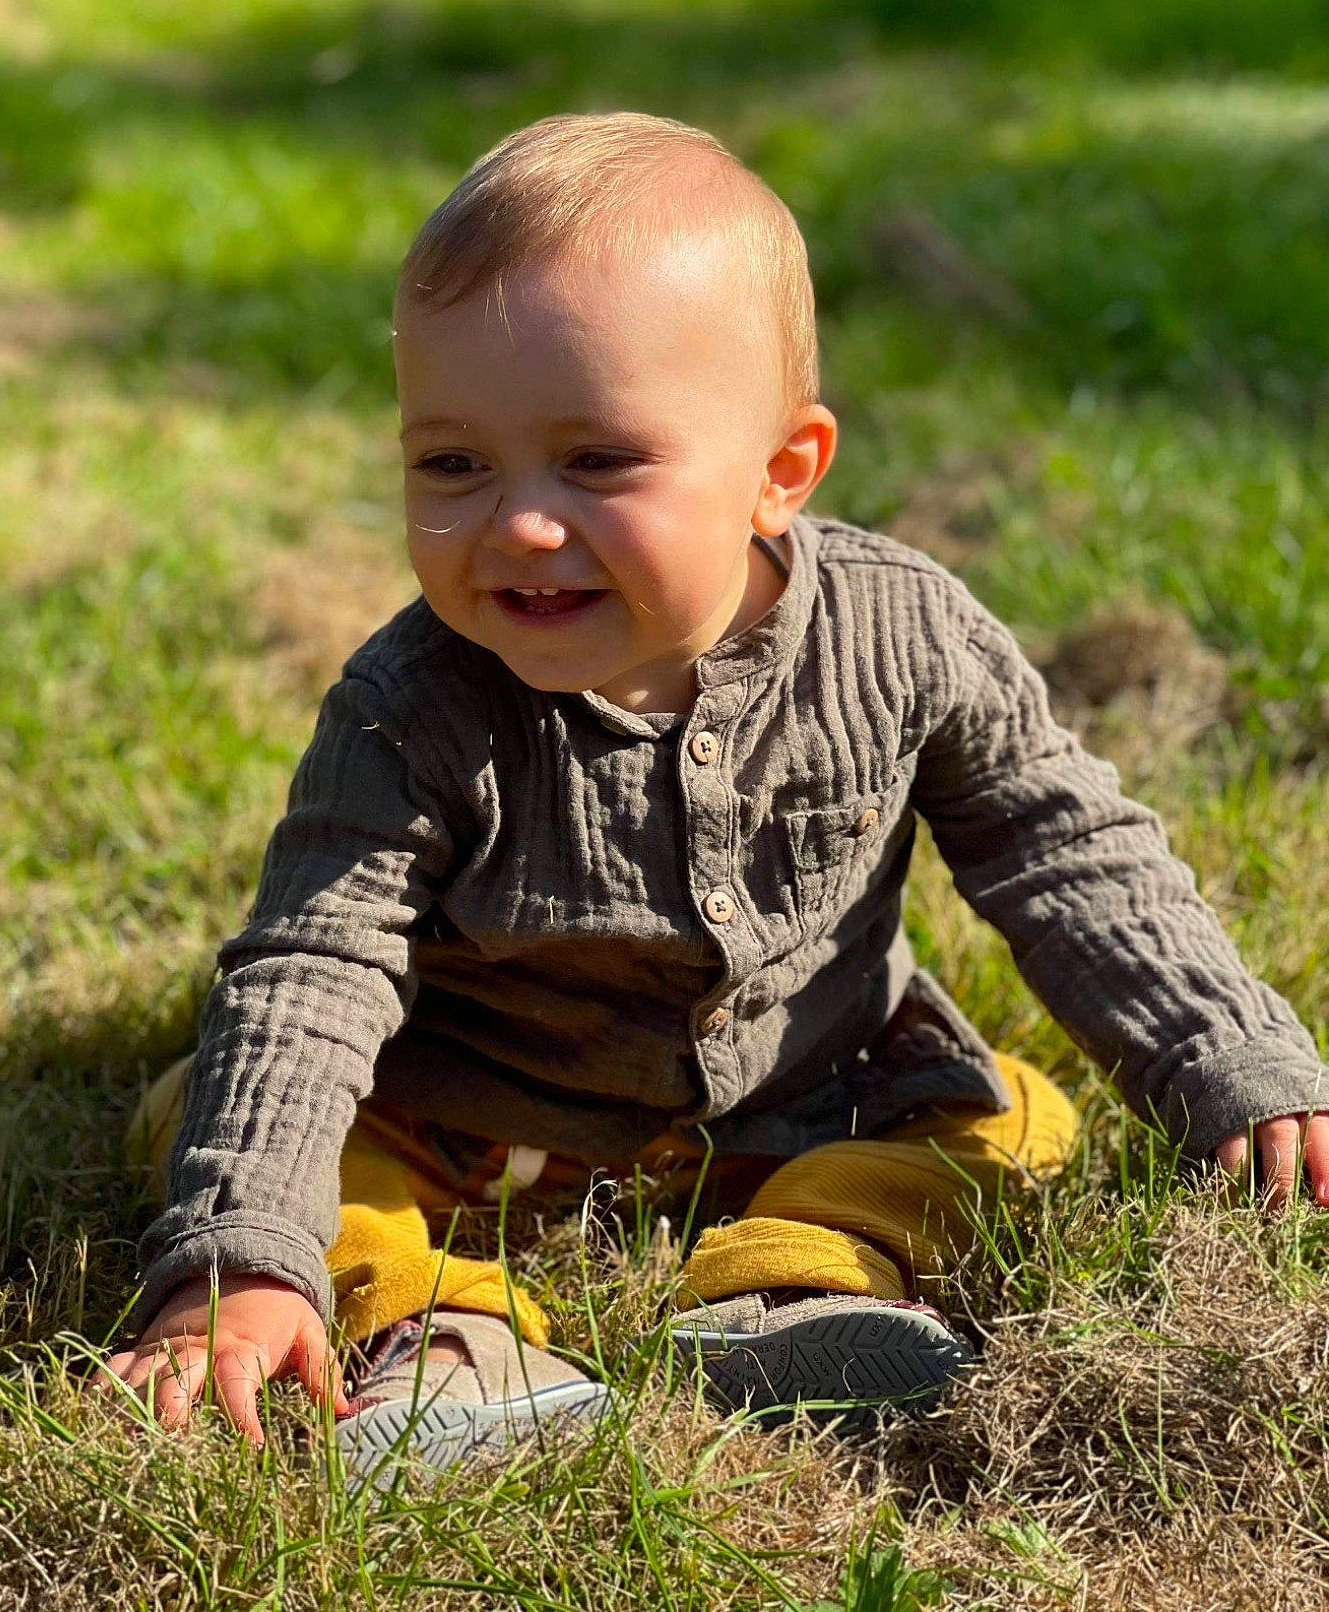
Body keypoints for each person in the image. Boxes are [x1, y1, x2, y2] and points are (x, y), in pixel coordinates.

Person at [104, 112, 1329, 1465]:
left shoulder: (903, 635)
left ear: (780, 473)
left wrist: (1229, 1055)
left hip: (816, 1091)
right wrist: (239, 1251)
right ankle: (441, 1339)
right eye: (452, 462)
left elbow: (1067, 848)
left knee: (1015, 1120)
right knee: (222, 1121)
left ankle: (793, 1286)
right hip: (470, 1115)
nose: (518, 519)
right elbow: (312, 966)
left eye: (599, 460)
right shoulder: (413, 706)